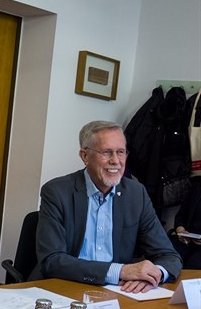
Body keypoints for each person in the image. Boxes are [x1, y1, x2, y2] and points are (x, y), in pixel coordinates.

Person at [30, 120, 182, 292]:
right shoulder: (57, 192)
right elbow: (52, 261)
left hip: (117, 293)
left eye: (121, 152)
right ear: (84, 156)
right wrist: (120, 271)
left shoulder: (136, 194)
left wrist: (154, 276)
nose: (115, 161)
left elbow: (169, 256)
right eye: (106, 152)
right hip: (64, 288)